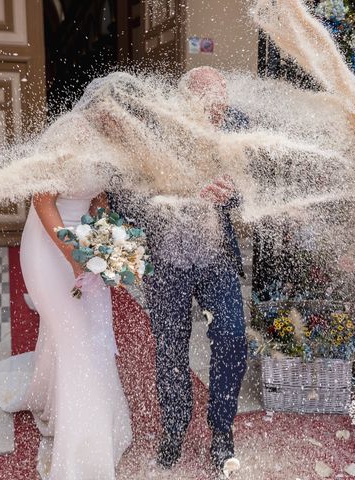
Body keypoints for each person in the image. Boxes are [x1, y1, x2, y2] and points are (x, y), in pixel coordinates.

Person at [0, 83, 133, 480]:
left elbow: (97, 199)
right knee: (75, 334)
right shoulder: (69, 136)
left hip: (83, 244)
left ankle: (84, 415)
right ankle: (81, 452)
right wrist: (73, 255)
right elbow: (42, 201)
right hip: (48, 244)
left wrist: (108, 237)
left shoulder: (110, 145)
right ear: (100, 112)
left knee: (91, 332)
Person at [109, 66, 248, 474]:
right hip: (167, 263)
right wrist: (179, 192)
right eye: (211, 106)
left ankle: (222, 430)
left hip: (216, 261)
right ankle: (174, 428)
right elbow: (123, 199)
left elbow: (249, 190)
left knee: (232, 338)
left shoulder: (236, 128)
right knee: (170, 350)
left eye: (222, 105)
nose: (218, 114)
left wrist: (234, 193)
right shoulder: (151, 135)